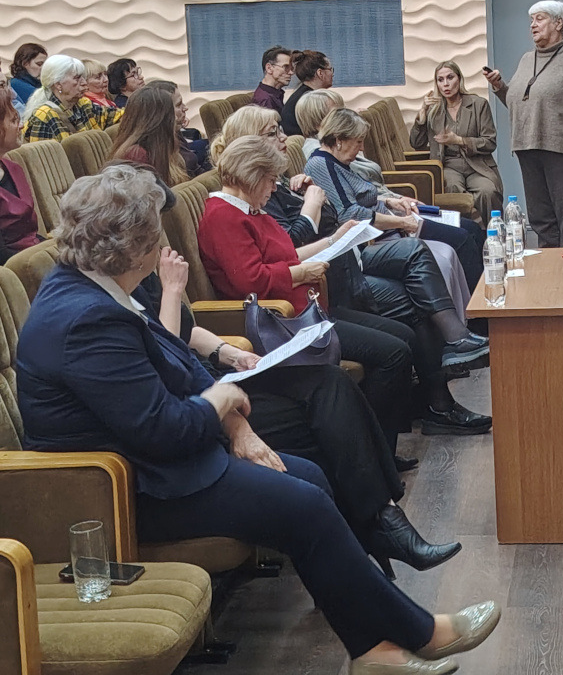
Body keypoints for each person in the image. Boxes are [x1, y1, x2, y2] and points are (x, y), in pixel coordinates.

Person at [15, 165, 501, 674]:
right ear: (132, 247)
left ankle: (373, 649)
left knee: (309, 477)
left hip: (155, 462)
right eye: (153, 237)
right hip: (126, 488)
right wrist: (222, 401)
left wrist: (232, 418)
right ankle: (419, 632)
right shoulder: (87, 319)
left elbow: (176, 367)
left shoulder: (96, 287)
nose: (160, 247)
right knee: (304, 502)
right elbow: (164, 430)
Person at [156, 244, 461, 576]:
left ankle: (384, 520)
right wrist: (171, 293)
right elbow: (167, 367)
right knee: (327, 425)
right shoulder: (127, 300)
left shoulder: (143, 281)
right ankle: (375, 534)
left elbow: (186, 330)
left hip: (214, 379)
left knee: (330, 382)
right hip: (196, 406)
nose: (162, 249)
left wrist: (230, 352)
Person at [209, 109, 493, 436]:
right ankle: (407, 417)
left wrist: (329, 229)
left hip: (333, 274)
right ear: (252, 157)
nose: (284, 137)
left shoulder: (269, 193)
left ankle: (434, 400)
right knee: (409, 302)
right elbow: (278, 255)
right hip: (307, 302)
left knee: (419, 295)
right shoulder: (240, 207)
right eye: (273, 133)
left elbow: (288, 248)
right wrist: (311, 210)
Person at [198, 136, 415, 455]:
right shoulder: (224, 216)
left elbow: (286, 255)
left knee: (403, 336)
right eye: (270, 180)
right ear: (252, 176)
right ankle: (377, 450)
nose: (273, 189)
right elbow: (251, 281)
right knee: (394, 353)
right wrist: (301, 274)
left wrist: (334, 240)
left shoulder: (250, 210)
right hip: (286, 322)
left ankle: (378, 447)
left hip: (306, 311)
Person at [305, 108, 486, 295]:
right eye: (358, 142)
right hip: (383, 233)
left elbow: (358, 196)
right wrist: (401, 222)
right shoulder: (321, 164)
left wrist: (390, 201)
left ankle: (488, 295)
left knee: (472, 228)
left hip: (393, 218)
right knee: (463, 239)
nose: (362, 148)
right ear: (338, 140)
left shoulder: (336, 160)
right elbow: (350, 213)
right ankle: (479, 307)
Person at [485, 0, 563, 247]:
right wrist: (500, 87)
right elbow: (521, 102)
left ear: (558, 23)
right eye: (531, 20)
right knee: (540, 217)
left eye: (539, 19)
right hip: (527, 145)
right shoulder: (527, 59)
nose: (533, 25)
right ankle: (550, 264)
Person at [410, 61, 503, 227]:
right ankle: (465, 235)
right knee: (452, 189)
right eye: (440, 80)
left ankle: (493, 234)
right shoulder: (434, 110)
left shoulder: (478, 104)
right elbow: (416, 143)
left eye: (450, 78)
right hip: (448, 166)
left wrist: (459, 140)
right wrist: (422, 116)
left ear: (459, 79)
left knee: (487, 192)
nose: (445, 84)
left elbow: (490, 142)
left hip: (477, 164)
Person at [22, 55, 122, 142]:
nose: (84, 83)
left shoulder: (83, 104)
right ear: (58, 85)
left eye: (83, 77)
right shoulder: (44, 117)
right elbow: (43, 156)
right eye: (77, 78)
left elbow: (118, 116)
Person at [109, 86, 189, 186]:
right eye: (170, 114)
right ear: (157, 120)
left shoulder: (162, 147)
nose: (175, 118)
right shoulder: (136, 155)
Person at [0, 87, 39, 263]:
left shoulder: (13, 167)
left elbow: (31, 234)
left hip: (33, 256)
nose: (21, 125)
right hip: (15, 269)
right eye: (14, 120)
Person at [146, 78, 211, 175]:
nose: (185, 108)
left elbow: (198, 172)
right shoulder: (147, 154)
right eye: (179, 104)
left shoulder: (174, 134)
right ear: (163, 111)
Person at [282, 49, 335, 136]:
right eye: (330, 69)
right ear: (320, 73)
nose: (332, 74)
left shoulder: (302, 93)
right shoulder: (312, 100)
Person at [253, 45, 294, 114]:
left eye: (291, 68)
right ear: (269, 68)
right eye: (286, 67)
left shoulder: (274, 94)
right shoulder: (265, 101)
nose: (291, 72)